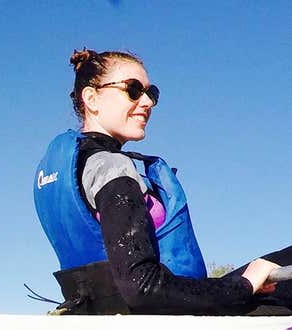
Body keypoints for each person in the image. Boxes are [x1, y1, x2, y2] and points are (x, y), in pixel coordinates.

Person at [33, 48, 291, 315]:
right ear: (91, 98)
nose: (147, 102)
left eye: (151, 93)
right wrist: (243, 286)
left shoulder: (62, 170)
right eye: (132, 90)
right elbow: (142, 287)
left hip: (101, 309)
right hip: (159, 318)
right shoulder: (110, 167)